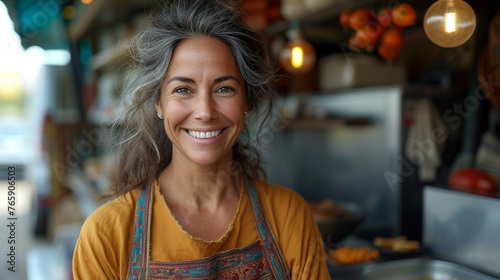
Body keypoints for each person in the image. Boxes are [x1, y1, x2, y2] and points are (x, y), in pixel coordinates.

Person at [72, 0, 330, 279]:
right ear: (158, 102)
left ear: (247, 100)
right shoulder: (106, 233)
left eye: (224, 89)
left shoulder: (288, 215)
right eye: (183, 89)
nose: (205, 112)